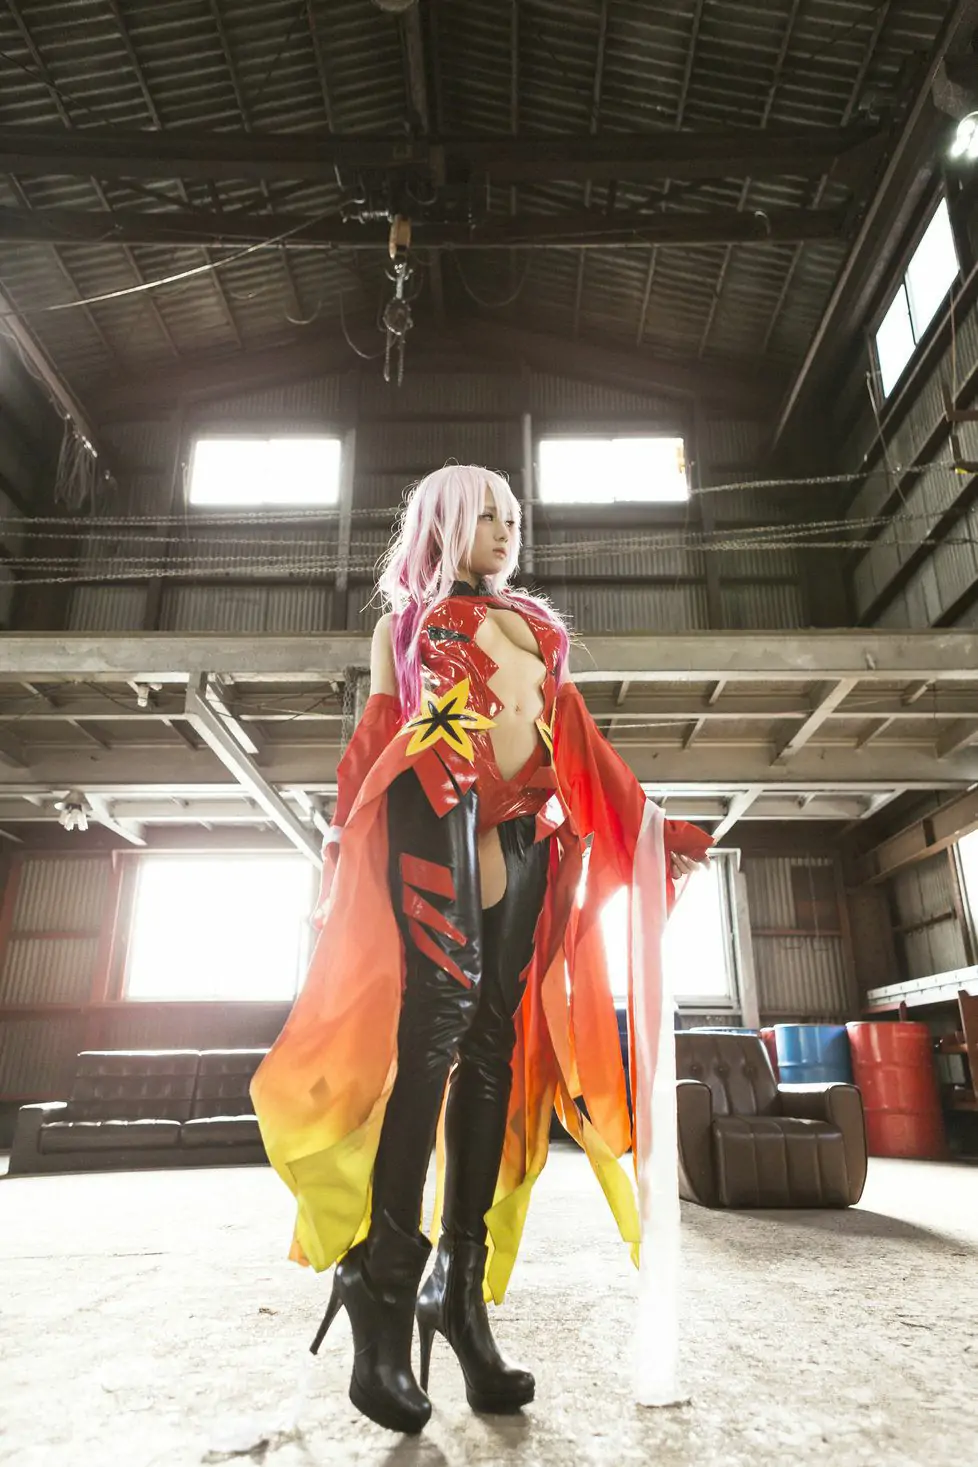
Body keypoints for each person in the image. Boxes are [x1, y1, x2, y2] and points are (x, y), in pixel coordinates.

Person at [251, 464, 712, 1434]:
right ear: (443, 524)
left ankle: (457, 1290)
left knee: (495, 1039)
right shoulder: (407, 626)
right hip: (434, 804)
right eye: (485, 516)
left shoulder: (538, 629)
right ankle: (383, 1274)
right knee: (436, 1024)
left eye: (512, 516)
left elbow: (576, 741)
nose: (505, 531)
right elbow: (376, 738)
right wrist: (343, 855)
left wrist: (649, 824)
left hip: (526, 830)